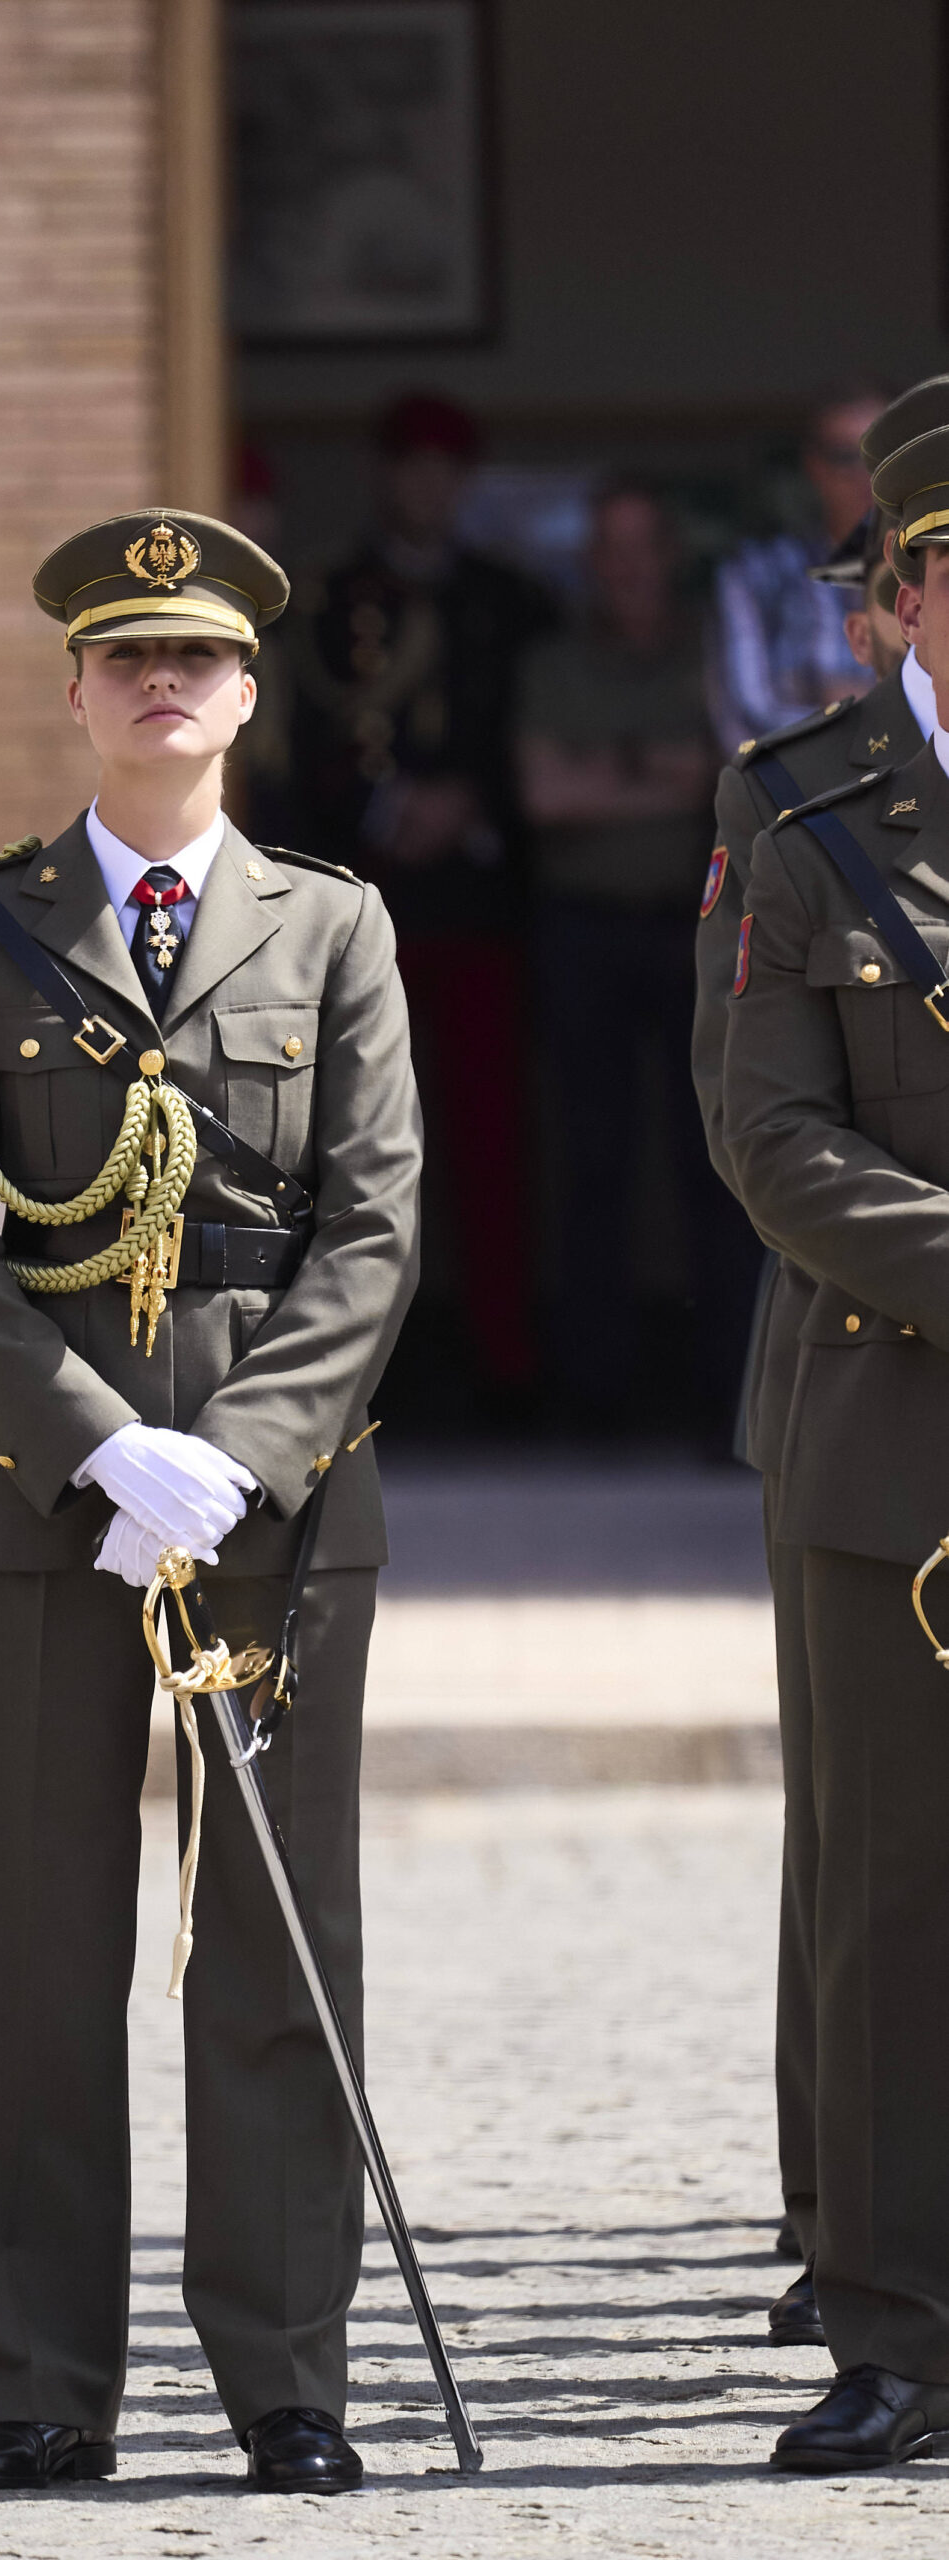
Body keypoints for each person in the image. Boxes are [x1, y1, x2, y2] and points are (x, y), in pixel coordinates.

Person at [0, 511, 422, 2493]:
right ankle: (34, 2381)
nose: (162, 685)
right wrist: (101, 1444)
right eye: (126, 658)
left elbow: (371, 1226)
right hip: (48, 1502)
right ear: (76, 690)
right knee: (32, 1944)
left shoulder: (332, 925)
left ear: (251, 691)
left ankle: (287, 2374)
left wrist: (242, 1452)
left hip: (277, 1511)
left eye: (196, 657)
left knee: (274, 1948)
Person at [722, 381, 949, 2471]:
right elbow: (767, 1128)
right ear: (897, 597)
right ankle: (891, 2320)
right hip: (895, 1415)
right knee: (889, 1891)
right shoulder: (796, 811)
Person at [288, 393, 554, 1420]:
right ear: (382, 475)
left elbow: (528, 730)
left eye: (449, 467)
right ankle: (357, 1372)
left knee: (493, 1145)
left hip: (483, 907)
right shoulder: (321, 597)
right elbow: (299, 738)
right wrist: (390, 803)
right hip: (365, 909)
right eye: (412, 465)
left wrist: (472, 802)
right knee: (355, 1150)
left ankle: (506, 1363)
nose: (429, 486)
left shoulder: (513, 599)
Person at [517, 478, 751, 1434]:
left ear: (669, 555)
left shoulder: (714, 646)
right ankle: (593, 1397)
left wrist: (602, 768)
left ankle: (724, 1393)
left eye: (640, 547)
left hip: (696, 927)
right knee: (591, 1160)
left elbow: (722, 768)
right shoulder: (549, 661)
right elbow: (543, 796)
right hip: (581, 928)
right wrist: (658, 768)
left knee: (719, 1163)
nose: (625, 569)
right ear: (588, 564)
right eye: (607, 550)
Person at [707, 386, 888, 755]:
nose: (866, 475)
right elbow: (751, 724)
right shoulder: (756, 575)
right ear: (814, 467)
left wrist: (816, 689)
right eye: (845, 457)